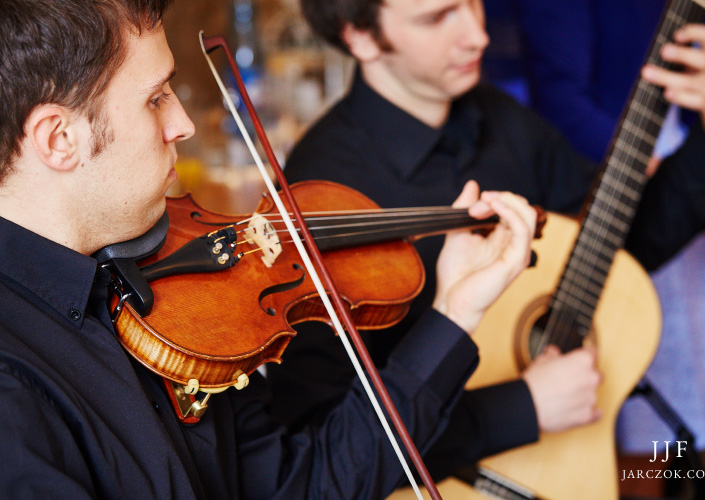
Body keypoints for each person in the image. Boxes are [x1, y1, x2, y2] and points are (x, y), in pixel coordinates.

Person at [0, 1, 542, 498]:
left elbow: (299, 485)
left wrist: (455, 312)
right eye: (156, 98)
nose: (183, 123)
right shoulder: (14, 396)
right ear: (58, 139)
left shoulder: (178, 298)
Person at [267, 0, 705, 485]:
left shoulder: (504, 121)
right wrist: (524, 406)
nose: (478, 35)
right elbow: (322, 443)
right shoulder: (322, 191)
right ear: (359, 36)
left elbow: (612, 256)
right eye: (438, 17)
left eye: (473, 2)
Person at [513, 0, 705, 496]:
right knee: (635, 412)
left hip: (685, 165)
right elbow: (561, 105)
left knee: (697, 409)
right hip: (616, 187)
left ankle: (689, 483)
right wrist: (682, 178)